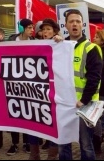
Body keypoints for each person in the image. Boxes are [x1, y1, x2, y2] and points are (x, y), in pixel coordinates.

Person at [58, 9, 103, 160]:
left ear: (82, 25)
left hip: (84, 104)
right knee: (63, 143)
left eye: (78, 21)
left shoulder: (91, 48)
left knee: (85, 144)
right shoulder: (61, 47)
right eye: (71, 21)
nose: (75, 24)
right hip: (64, 104)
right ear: (66, 25)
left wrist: (83, 100)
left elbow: (94, 78)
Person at [27, 18, 63, 160]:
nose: (46, 32)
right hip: (36, 91)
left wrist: (60, 41)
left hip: (53, 91)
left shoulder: (60, 44)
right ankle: (34, 154)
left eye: (49, 29)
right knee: (33, 122)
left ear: (54, 31)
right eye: (43, 29)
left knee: (53, 123)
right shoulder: (35, 44)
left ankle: (52, 155)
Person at [5, 18, 35, 156]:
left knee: (28, 114)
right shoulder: (11, 40)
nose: (31, 30)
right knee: (14, 114)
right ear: (22, 28)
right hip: (12, 83)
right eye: (29, 27)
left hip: (28, 84)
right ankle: (15, 143)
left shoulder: (34, 42)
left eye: (32, 27)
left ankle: (27, 142)